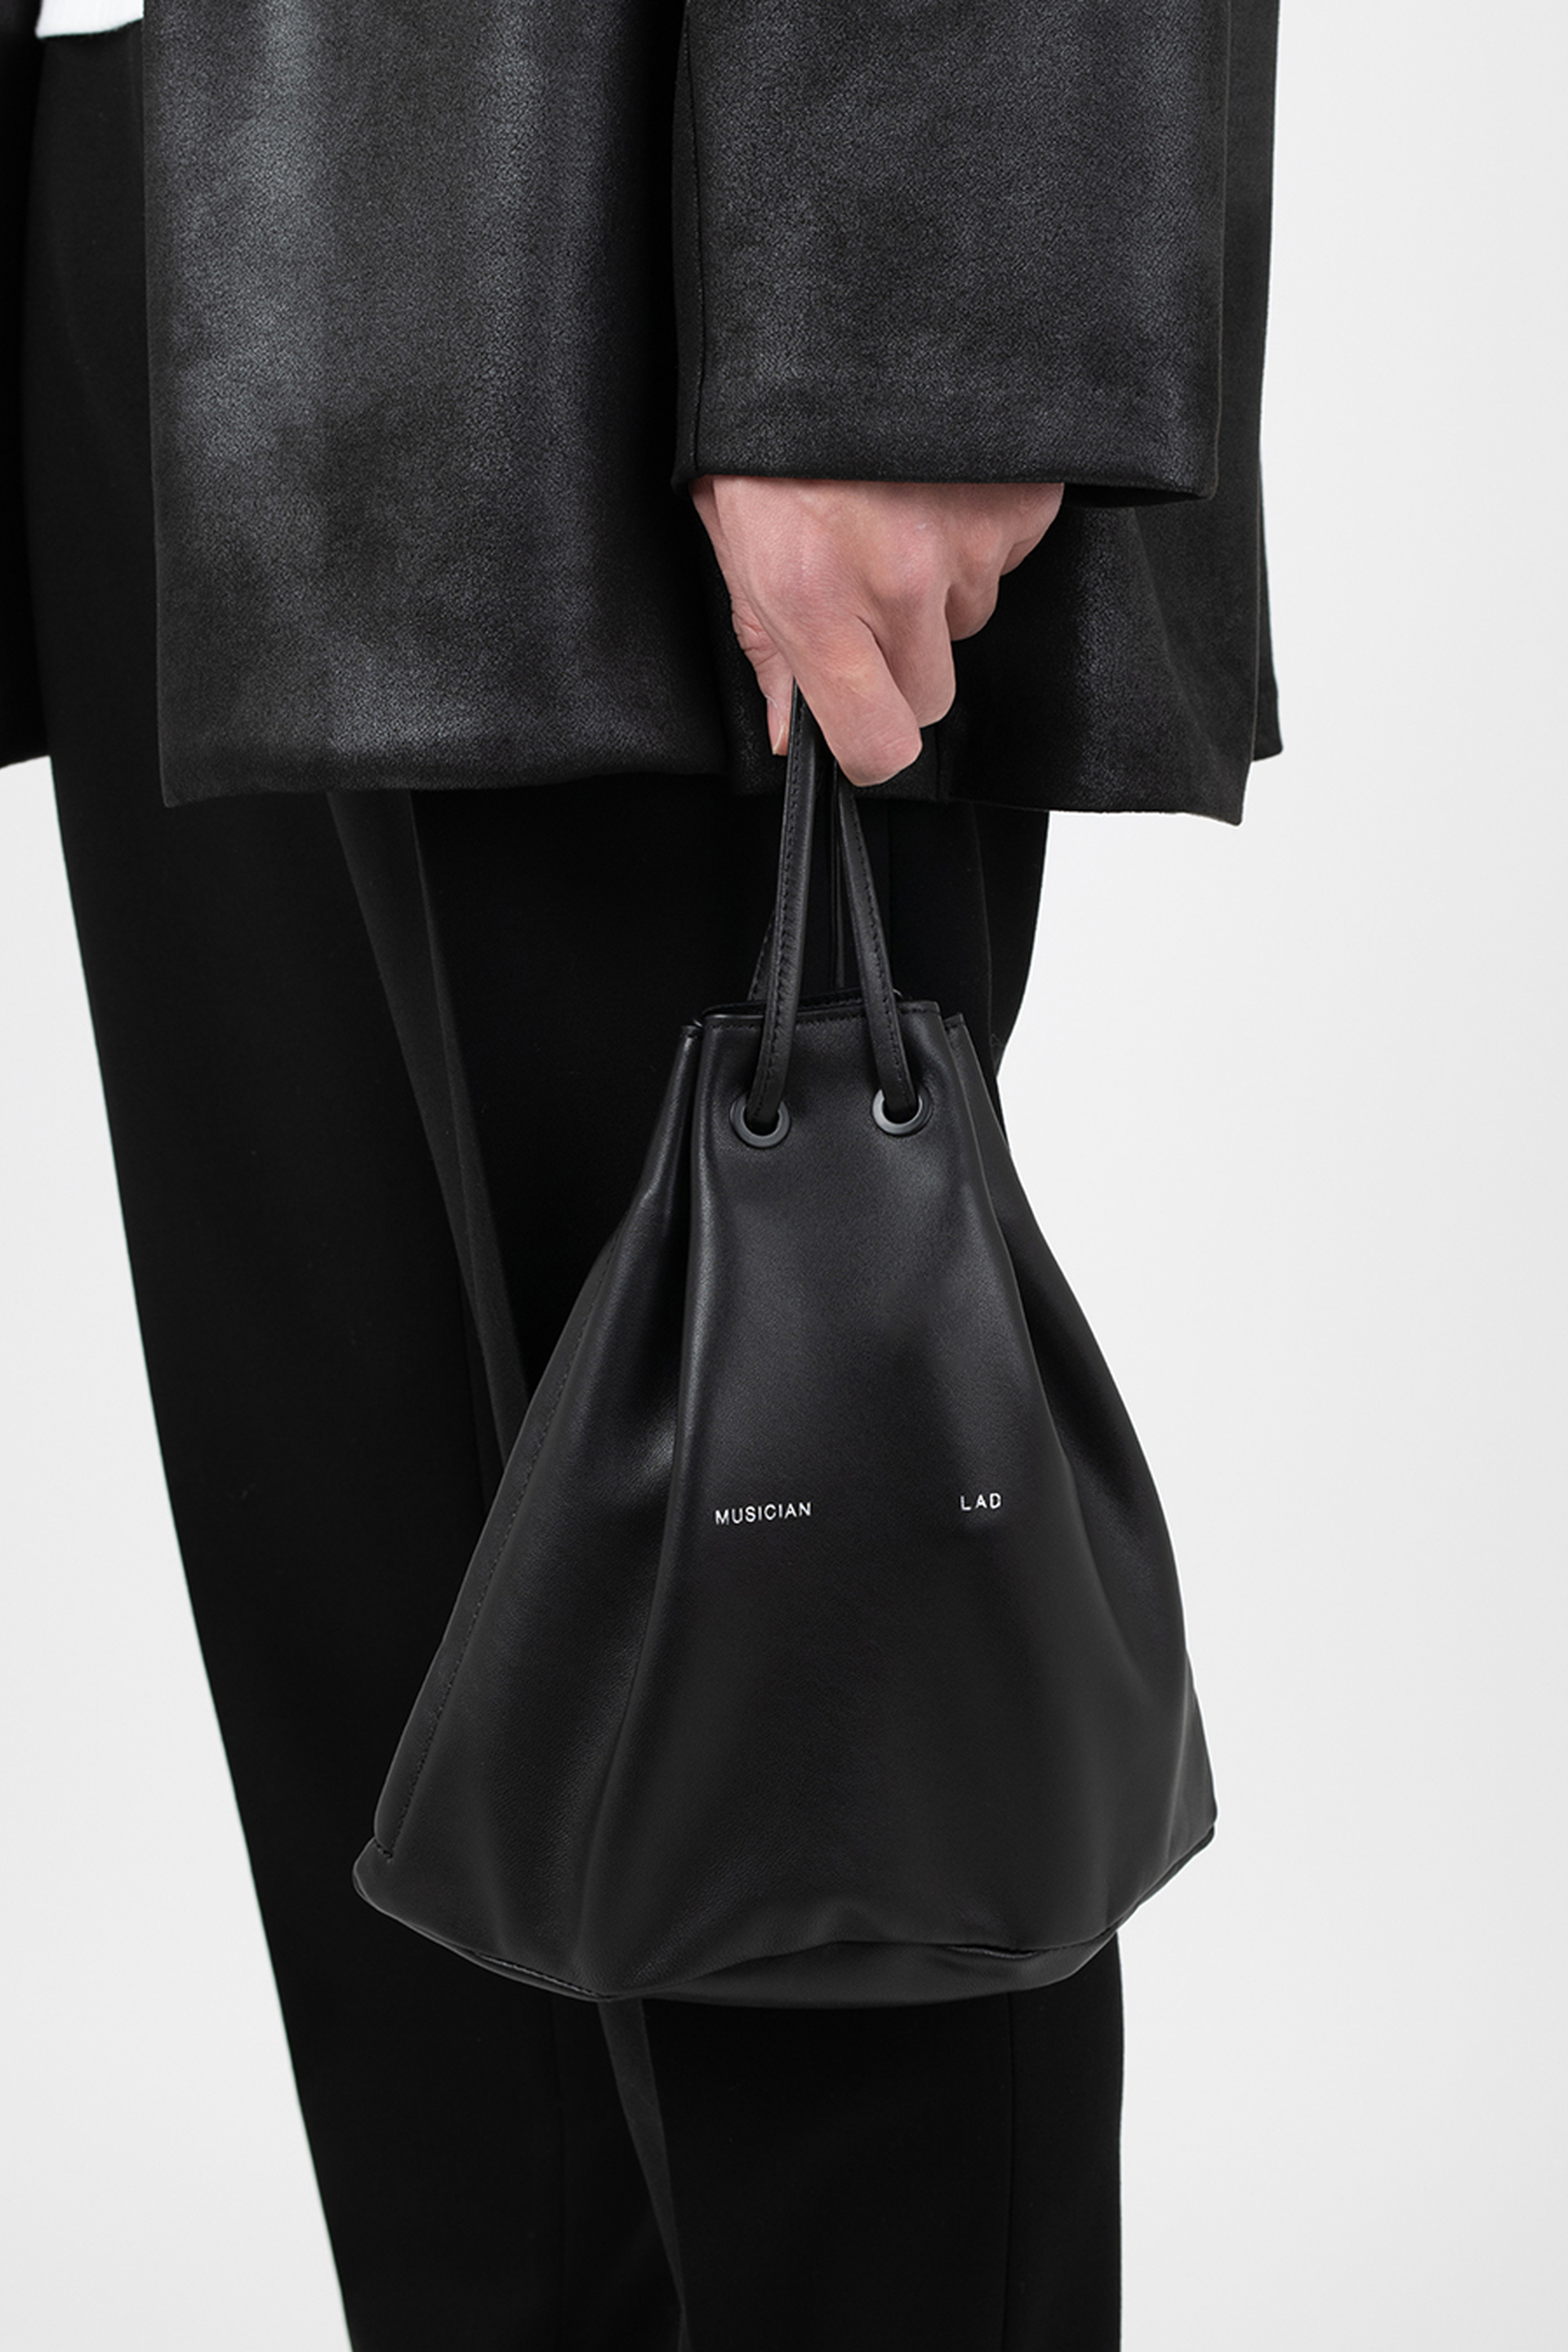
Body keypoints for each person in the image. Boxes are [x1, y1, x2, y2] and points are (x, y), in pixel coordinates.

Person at [1, 3, 1281, 2345]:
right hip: (167, 180)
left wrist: (907, 294)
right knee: (421, 1824)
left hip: (609, 226)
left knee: (803, 1781)